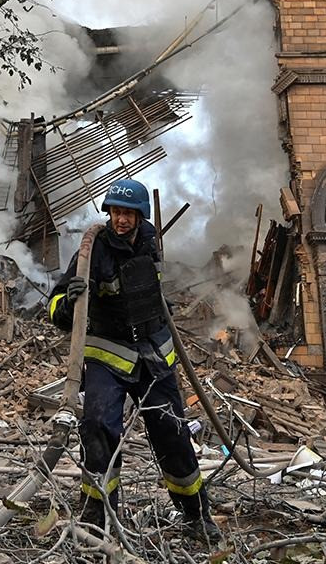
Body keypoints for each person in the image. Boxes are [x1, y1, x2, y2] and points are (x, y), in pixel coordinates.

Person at [48, 178, 220, 543]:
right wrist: (68, 301)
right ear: (108, 212)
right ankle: (98, 514)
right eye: (116, 212)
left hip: (154, 359)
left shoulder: (149, 244)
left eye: (128, 213)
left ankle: (196, 514)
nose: (121, 220)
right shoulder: (93, 249)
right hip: (107, 357)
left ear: (140, 216)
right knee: (97, 427)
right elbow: (56, 307)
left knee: (172, 434)